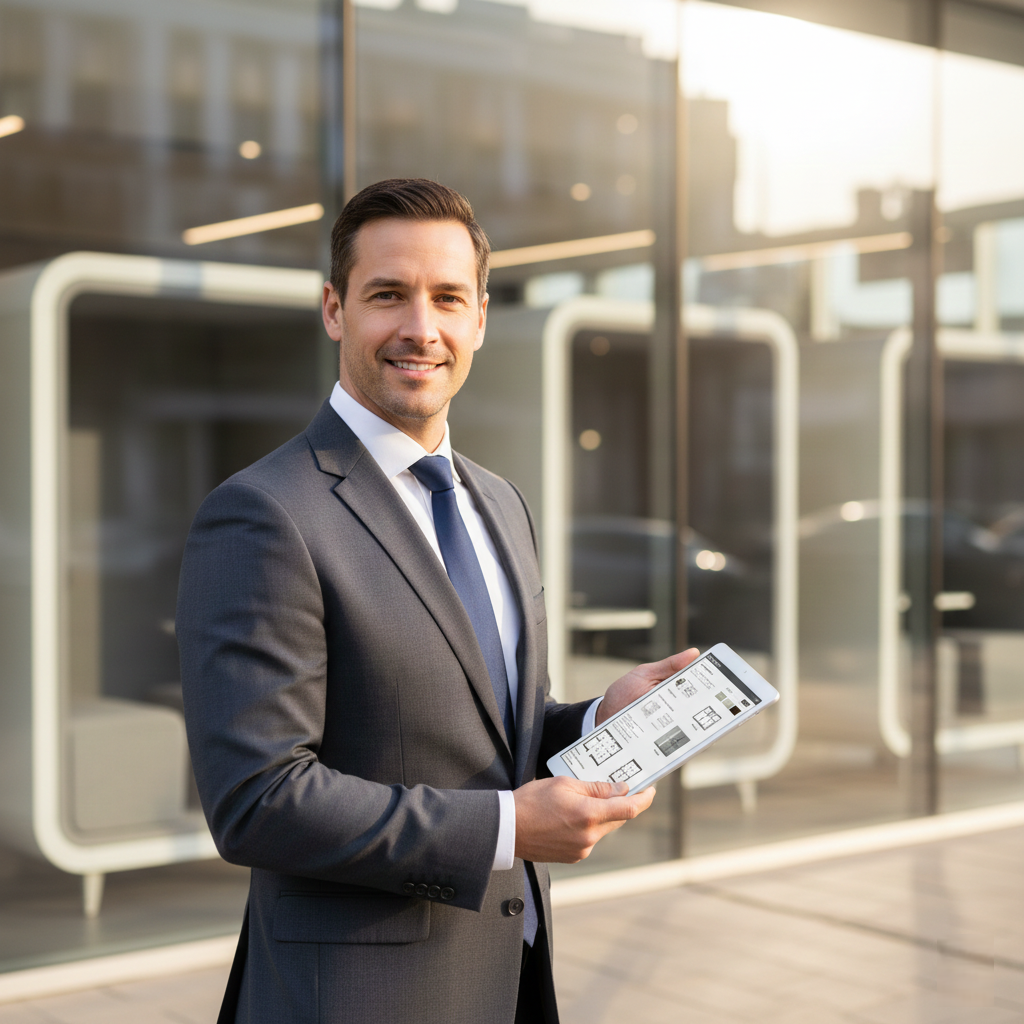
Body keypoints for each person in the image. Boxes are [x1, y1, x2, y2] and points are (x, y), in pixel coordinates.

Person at [176, 177, 698, 1024]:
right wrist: (506, 831)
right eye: (388, 295)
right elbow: (257, 802)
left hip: (511, 977)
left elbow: (492, 738)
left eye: (448, 298)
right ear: (334, 309)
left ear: (481, 318)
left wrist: (603, 720)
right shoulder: (264, 514)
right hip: (355, 999)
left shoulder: (499, 502)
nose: (422, 328)